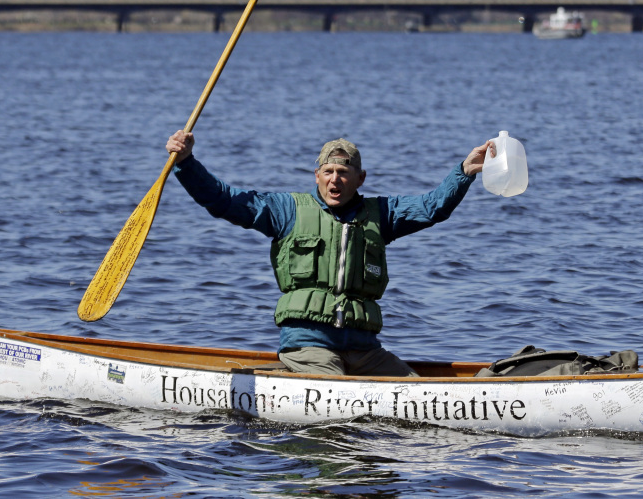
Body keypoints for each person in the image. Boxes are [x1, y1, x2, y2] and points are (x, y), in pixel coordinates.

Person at [165, 131, 494, 377]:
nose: (335, 179)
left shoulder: (382, 213)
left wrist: (463, 172)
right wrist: (186, 163)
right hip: (310, 347)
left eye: (344, 173)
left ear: (360, 179)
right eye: (328, 172)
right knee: (337, 403)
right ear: (318, 176)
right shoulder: (286, 210)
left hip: (366, 352)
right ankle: (286, 379)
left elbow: (431, 207)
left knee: (418, 390)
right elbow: (224, 200)